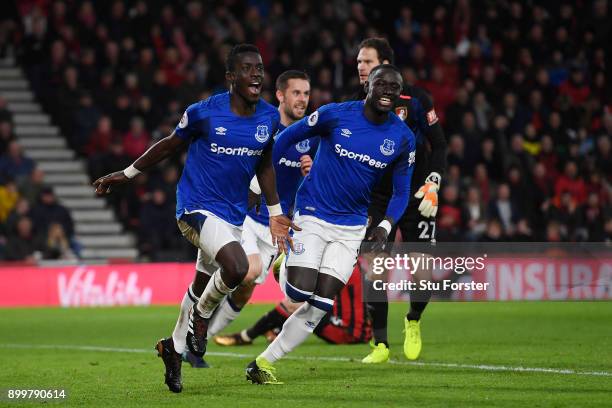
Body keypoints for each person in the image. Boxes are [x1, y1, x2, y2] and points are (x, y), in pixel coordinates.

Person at [92, 44, 295, 393]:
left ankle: (173, 348)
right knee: (236, 267)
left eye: (260, 68)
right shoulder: (204, 113)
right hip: (195, 209)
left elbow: (264, 164)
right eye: (248, 69)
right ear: (231, 77)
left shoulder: (268, 117)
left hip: (232, 215)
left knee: (201, 284)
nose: (257, 74)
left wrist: (276, 213)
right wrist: (127, 174)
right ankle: (201, 320)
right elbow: (170, 144)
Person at [245, 64, 416, 384]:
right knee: (298, 291)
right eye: (382, 85)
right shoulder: (336, 114)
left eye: (395, 87)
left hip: (351, 227)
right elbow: (284, 139)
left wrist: (385, 225)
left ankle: (263, 363)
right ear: (369, 86)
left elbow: (402, 189)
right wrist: (257, 184)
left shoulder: (403, 137)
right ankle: (284, 265)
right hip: (312, 213)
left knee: (321, 302)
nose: (388, 92)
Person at [206, 70, 317, 344]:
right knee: (250, 270)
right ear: (280, 95)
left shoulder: (312, 137)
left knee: (246, 289)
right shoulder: (262, 126)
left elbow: (319, 184)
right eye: (296, 93)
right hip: (245, 214)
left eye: (306, 93)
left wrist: (312, 171)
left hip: (275, 224)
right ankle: (200, 314)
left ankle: (202, 337)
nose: (302, 99)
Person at [355, 38, 448, 364]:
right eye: (359, 63)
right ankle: (380, 344)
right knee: (376, 270)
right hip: (378, 199)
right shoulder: (356, 104)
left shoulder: (418, 100)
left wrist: (434, 183)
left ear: (385, 65)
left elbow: (439, 146)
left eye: (367, 62)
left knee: (421, 271)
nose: (360, 68)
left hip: (417, 194)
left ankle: (413, 320)